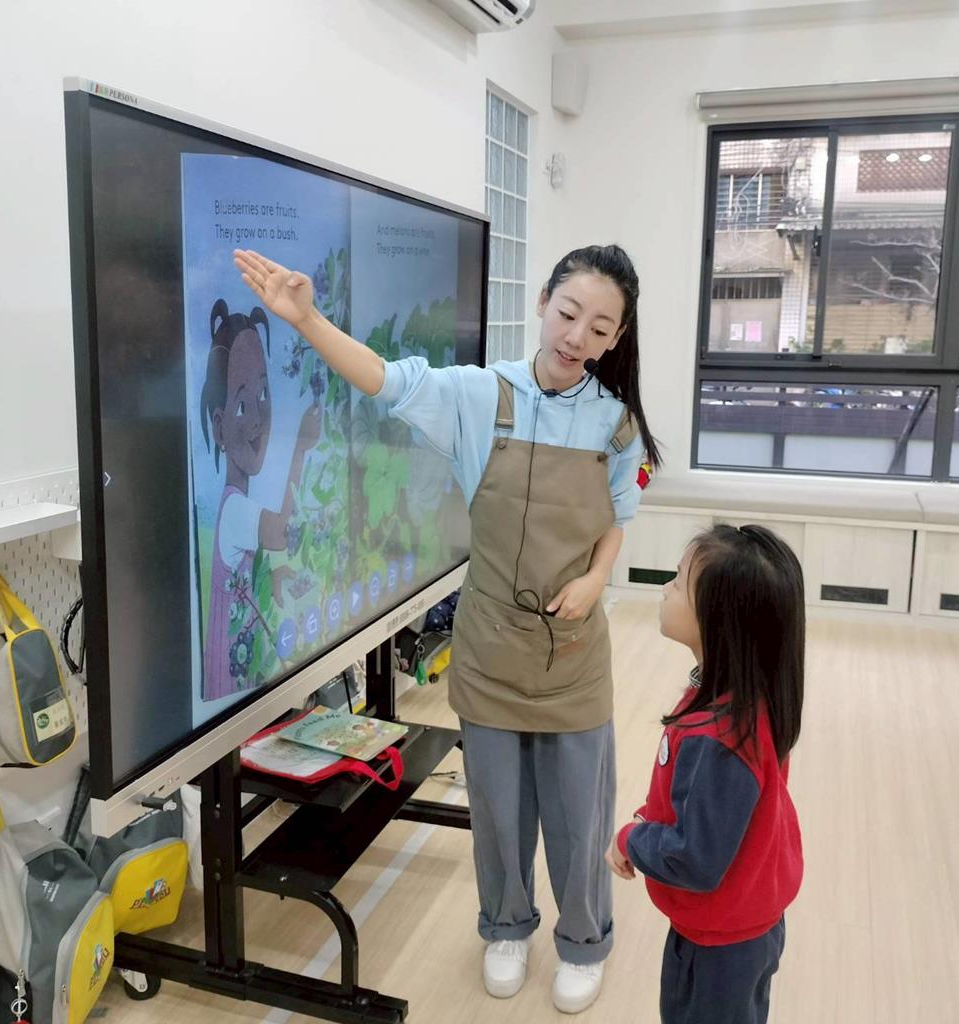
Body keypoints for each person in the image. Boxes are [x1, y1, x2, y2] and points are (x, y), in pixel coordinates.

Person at [234, 243, 660, 1013]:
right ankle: (506, 928)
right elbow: (382, 377)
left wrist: (597, 579)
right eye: (569, 314)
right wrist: (306, 320)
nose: (577, 337)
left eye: (599, 329)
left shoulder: (615, 424)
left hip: (573, 655)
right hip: (491, 641)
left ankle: (583, 940)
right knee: (497, 806)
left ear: (616, 338)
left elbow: (616, 521)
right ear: (543, 302)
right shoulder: (478, 397)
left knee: (578, 810)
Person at [606, 525, 804, 1024]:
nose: (665, 589)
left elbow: (696, 859)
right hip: (736, 920)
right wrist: (650, 819)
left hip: (723, 941)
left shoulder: (721, 739)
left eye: (677, 582)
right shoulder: (743, 694)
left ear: (717, 618)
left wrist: (632, 838)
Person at [199, 299, 321, 700]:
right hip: (231, 680)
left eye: (264, 393)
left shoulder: (235, 506)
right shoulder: (234, 508)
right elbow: (282, 531)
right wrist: (301, 448)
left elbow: (241, 581)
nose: (257, 417)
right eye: (240, 404)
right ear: (219, 429)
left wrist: (272, 578)